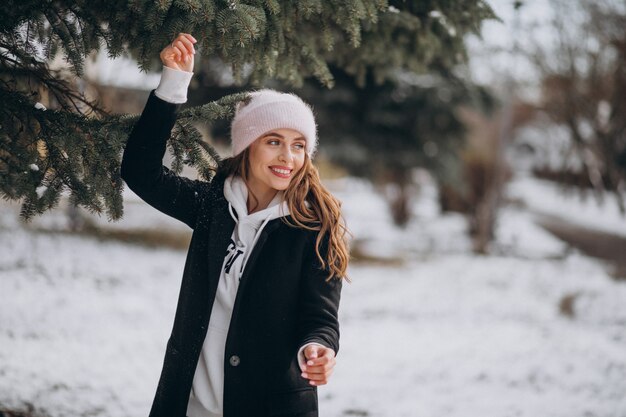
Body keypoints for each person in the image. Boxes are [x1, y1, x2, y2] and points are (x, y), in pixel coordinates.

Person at [120, 33, 351, 417]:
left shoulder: (315, 227)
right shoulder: (213, 206)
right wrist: (173, 83)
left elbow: (321, 318)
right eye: (273, 141)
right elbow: (140, 172)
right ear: (247, 146)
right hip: (188, 404)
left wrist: (320, 348)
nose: (288, 157)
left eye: (298, 145)